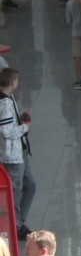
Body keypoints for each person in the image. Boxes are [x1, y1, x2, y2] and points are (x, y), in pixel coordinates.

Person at [0, 69, 35, 235]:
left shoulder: (9, 99)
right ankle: (16, 226)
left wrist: (20, 117)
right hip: (12, 155)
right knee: (15, 190)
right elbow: (6, 131)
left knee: (30, 185)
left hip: (20, 152)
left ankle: (19, 221)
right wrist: (24, 127)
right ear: (12, 82)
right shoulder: (5, 103)